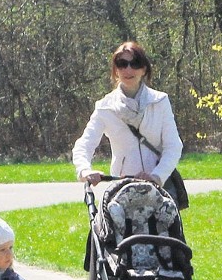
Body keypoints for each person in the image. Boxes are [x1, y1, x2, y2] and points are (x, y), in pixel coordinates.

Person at [72, 41, 183, 202]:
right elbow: (84, 145)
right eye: (122, 64)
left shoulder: (160, 102)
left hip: (159, 191)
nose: (128, 69)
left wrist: (157, 176)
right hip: (122, 191)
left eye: (135, 64)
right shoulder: (105, 107)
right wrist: (85, 170)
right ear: (115, 70)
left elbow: (173, 146)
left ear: (144, 69)